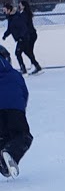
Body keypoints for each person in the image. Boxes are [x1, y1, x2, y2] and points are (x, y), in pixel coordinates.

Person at [0, 43, 33, 177]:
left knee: (4, 137)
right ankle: (10, 154)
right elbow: (24, 93)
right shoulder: (14, 74)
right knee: (23, 136)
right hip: (14, 107)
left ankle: (4, 164)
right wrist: (21, 108)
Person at [3, 0, 42, 74]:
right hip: (23, 37)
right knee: (27, 52)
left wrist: (21, 37)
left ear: (9, 10)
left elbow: (23, 27)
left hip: (23, 38)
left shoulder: (17, 17)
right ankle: (37, 66)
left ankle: (24, 69)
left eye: (5, 10)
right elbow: (10, 28)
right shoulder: (11, 18)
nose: (4, 12)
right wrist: (5, 35)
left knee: (18, 53)